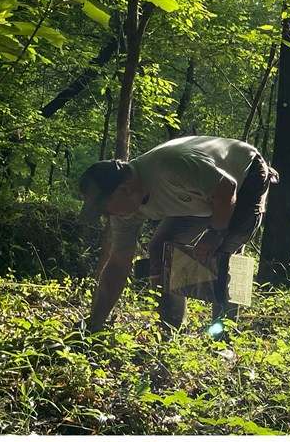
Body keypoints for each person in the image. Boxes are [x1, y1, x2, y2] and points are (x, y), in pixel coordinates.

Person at [79, 134, 275, 332]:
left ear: (124, 189)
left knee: (225, 254)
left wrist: (215, 234)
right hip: (201, 198)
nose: (107, 215)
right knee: (160, 250)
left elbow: (226, 189)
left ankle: (223, 337)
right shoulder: (123, 214)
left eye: (105, 207)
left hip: (245, 175)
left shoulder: (170, 167)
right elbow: (117, 265)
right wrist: (93, 324)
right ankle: (170, 328)